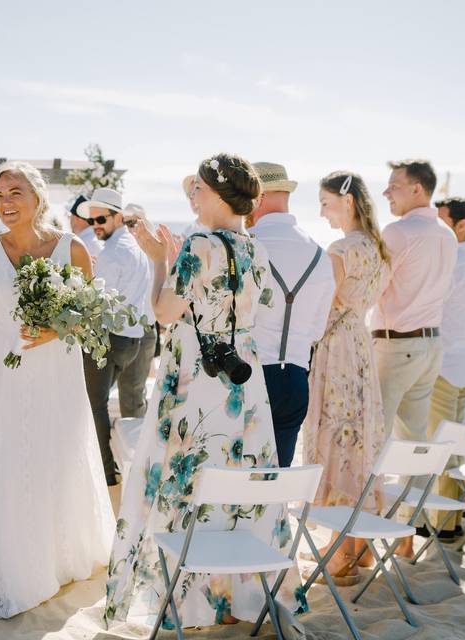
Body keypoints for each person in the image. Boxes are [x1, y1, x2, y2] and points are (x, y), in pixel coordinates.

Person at [106, 153, 303, 630]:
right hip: (244, 374)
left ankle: (190, 605)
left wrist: (159, 262)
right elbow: (261, 300)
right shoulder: (254, 246)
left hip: (195, 373)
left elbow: (166, 312)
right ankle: (234, 597)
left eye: (196, 190)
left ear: (215, 194)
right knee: (235, 470)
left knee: (185, 473)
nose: (192, 198)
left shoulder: (198, 242)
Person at [0, 162, 113, 619]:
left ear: (38, 197)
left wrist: (58, 331)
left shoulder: (71, 248)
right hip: (7, 368)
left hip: (58, 373)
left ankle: (55, 554)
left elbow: (92, 316)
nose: (6, 203)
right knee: (9, 453)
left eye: (15, 192)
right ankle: (14, 557)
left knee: (54, 454)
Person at [302, 171, 390, 582]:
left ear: (347, 201)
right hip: (360, 343)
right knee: (358, 435)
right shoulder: (378, 247)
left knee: (339, 435)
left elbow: (321, 304)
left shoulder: (340, 249)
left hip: (337, 345)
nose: (320, 212)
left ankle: (340, 555)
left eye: (324, 202)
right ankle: (359, 546)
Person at [373, 159, 457, 557]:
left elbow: (373, 288)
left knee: (374, 438)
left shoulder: (399, 232)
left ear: (418, 189)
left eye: (394, 185)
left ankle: (363, 539)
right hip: (430, 345)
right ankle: (406, 534)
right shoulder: (446, 233)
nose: (387, 192)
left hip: (397, 344)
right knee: (414, 442)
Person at [248, 162, 334, 467]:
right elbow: (317, 332)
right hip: (296, 379)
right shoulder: (320, 255)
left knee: (237, 483)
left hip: (249, 376)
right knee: (278, 482)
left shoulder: (247, 247)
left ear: (255, 198)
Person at [77, 187, 151, 514]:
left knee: (94, 406)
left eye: (102, 218)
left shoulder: (112, 254)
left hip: (109, 338)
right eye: (92, 219)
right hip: (133, 339)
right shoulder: (132, 248)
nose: (96, 224)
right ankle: (114, 466)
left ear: (118, 217)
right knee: (112, 404)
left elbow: (95, 299)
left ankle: (108, 474)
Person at [426, 197, 465, 539]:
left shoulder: (453, 262)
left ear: (461, 226)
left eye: (442, 221)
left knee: (440, 447)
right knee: (453, 443)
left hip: (447, 363)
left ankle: (443, 524)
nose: (436, 228)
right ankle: (448, 520)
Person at [118, 202, 159, 414]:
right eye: (123, 222)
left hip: (143, 332)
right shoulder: (118, 252)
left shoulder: (156, 255)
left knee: (133, 395)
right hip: (118, 332)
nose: (128, 227)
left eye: (133, 222)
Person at [68, 194, 103, 259]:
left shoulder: (80, 242)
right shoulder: (97, 239)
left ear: (77, 218)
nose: (69, 221)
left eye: (70, 217)